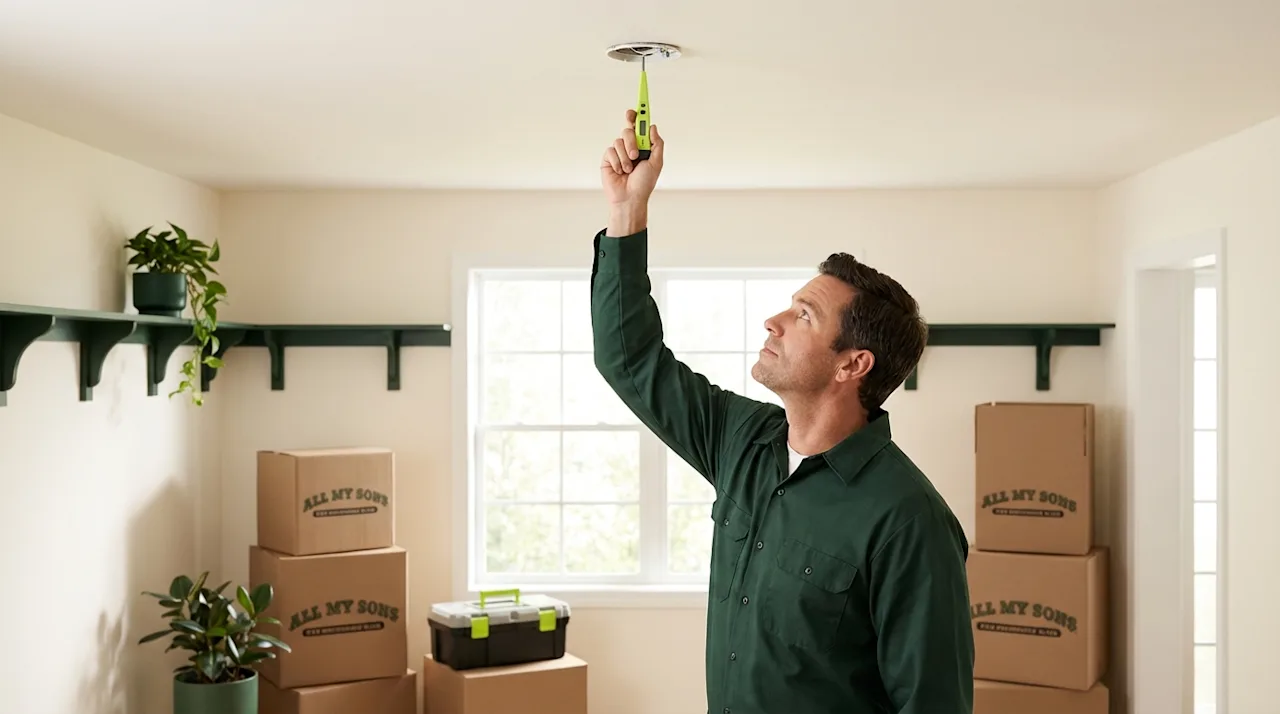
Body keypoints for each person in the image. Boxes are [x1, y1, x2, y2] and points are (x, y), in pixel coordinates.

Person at [590, 109, 975, 713]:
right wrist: (626, 211)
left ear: (853, 365)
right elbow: (630, 362)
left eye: (805, 316)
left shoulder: (909, 521)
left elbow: (932, 703)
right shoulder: (742, 440)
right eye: (790, 306)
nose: (774, 321)